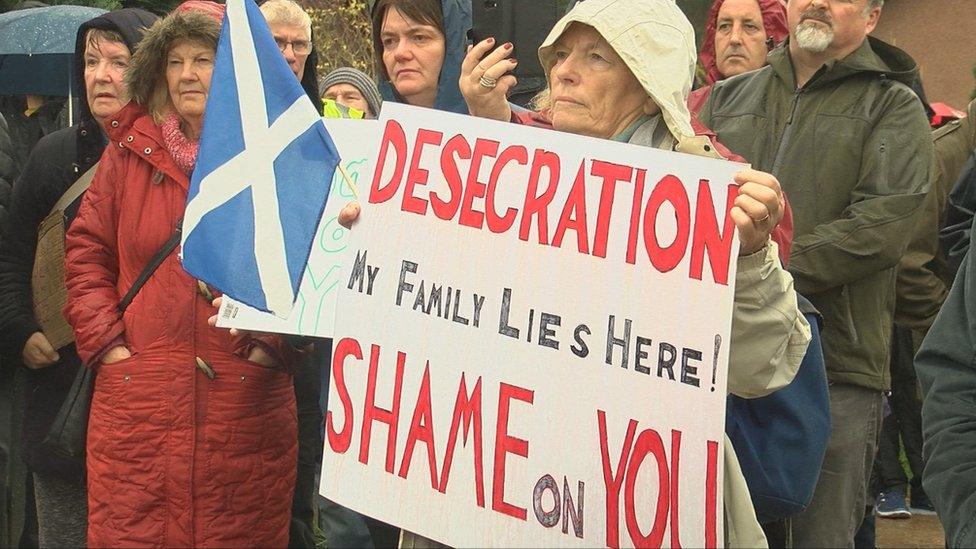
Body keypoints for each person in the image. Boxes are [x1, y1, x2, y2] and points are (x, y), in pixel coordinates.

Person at [340, 0, 812, 544]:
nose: (564, 70)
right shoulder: (501, 170)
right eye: (561, 53)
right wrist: (372, 239)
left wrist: (751, 260)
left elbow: (758, 369)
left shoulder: (714, 194)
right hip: (491, 492)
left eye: (596, 58)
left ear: (648, 78)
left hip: (622, 506)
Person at [63, 2, 299, 546]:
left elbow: (307, 262)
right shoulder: (128, 153)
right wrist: (108, 345)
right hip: (137, 404)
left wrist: (268, 344)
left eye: (204, 59)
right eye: (175, 60)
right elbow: (86, 250)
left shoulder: (274, 153)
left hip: (243, 404)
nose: (187, 74)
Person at [698, 0, 933, 545]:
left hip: (838, 369)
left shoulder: (892, 105)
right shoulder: (728, 97)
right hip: (727, 361)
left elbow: (881, 227)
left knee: (820, 537)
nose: (819, 2)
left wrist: (762, 262)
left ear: (873, 17)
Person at [0, 10, 158, 546]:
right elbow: (11, 255)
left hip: (141, 393)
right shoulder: (54, 156)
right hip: (61, 393)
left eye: (118, 61)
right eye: (91, 61)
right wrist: (21, 329)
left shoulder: (178, 161)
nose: (100, 75)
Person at [689, 0, 789, 113]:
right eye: (724, 26)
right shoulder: (687, 112)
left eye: (749, 27)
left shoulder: (791, 112)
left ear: (774, 40)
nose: (734, 39)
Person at [371, 0, 469, 113]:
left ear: (454, 44)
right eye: (389, 41)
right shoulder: (366, 129)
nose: (400, 53)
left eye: (419, 38)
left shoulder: (488, 122)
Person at [258, 0, 323, 113]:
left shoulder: (332, 120)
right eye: (277, 42)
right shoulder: (223, 109)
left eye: (299, 44)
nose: (289, 56)